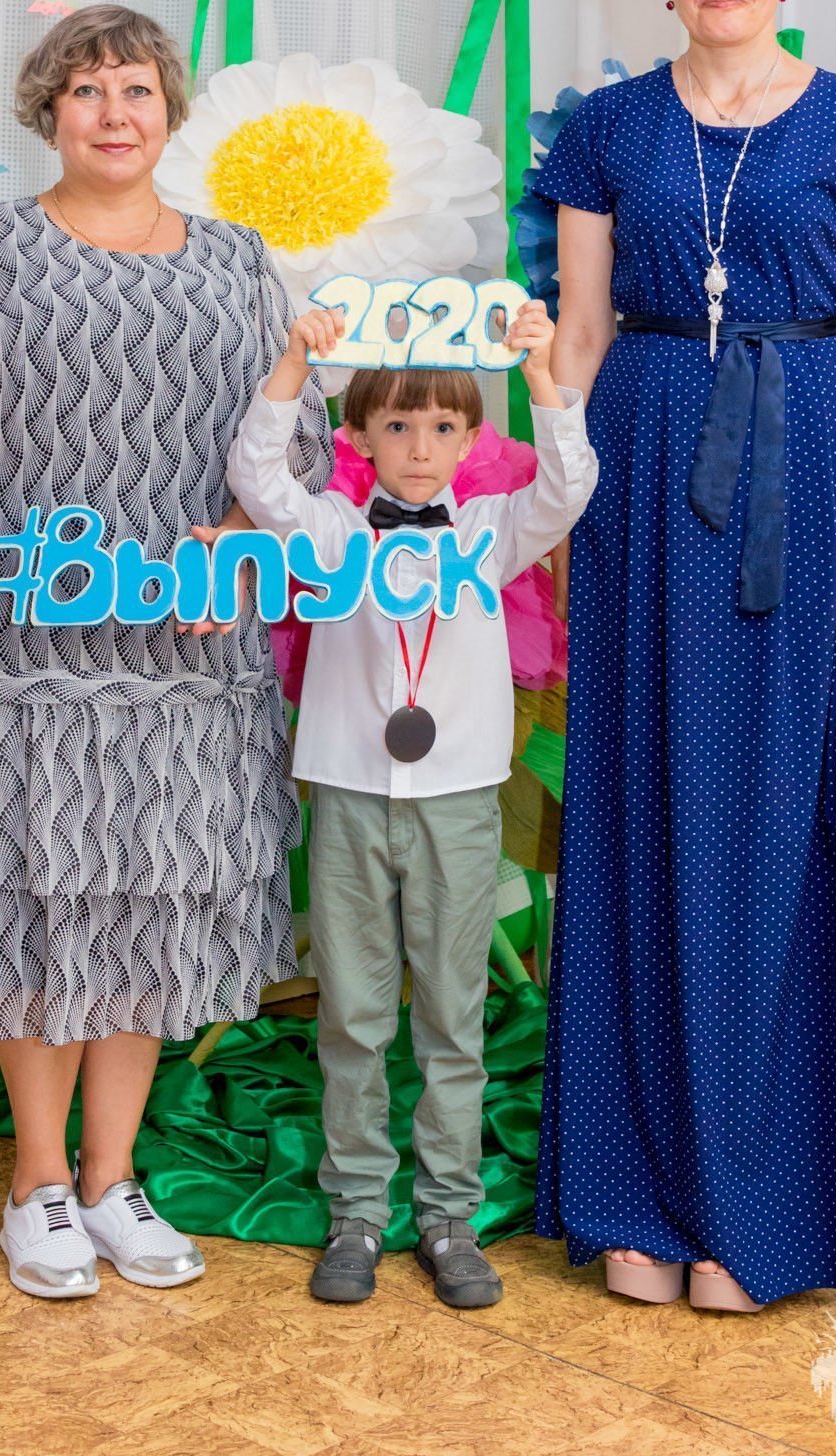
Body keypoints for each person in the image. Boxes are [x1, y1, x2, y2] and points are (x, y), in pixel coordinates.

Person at [0, 4, 332, 1300]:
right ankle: (38, 1182)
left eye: (135, 89)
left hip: (185, 655)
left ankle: (113, 1177)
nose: (113, 112)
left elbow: (297, 439)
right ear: (47, 113)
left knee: (147, 907)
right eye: (86, 90)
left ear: (168, 111)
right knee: (39, 901)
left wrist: (245, 536)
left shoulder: (239, 262)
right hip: (26, 651)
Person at [533, 0, 836, 1311]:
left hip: (802, 468)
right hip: (638, 466)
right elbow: (581, 335)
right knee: (634, 807)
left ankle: (758, 1205)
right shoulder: (605, 126)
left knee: (776, 818)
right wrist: (552, 511)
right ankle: (631, 1191)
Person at [227, 300, 597, 1308]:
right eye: (397, 425)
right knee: (352, 1015)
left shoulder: (492, 532)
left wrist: (541, 375)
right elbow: (256, 473)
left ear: (471, 440)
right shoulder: (330, 529)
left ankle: (447, 1217)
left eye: (442, 427)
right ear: (358, 437)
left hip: (458, 802)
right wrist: (295, 360)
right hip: (350, 793)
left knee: (450, 1014)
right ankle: (355, 1210)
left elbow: (568, 485)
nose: (421, 448)